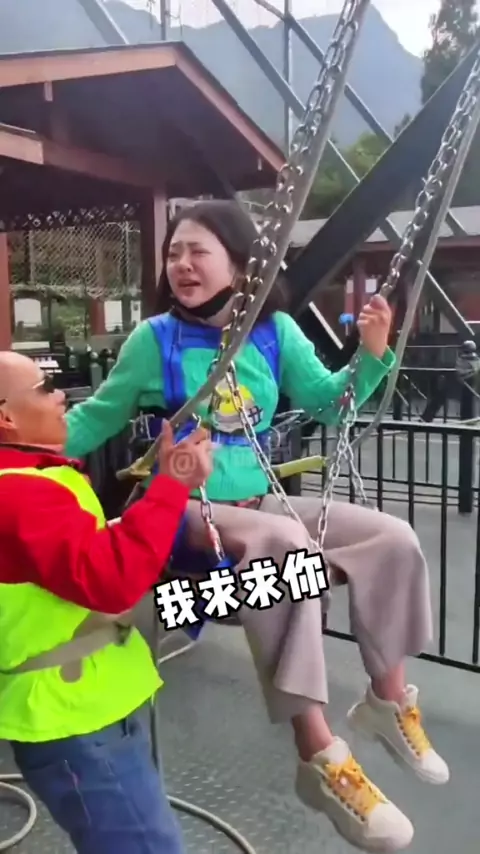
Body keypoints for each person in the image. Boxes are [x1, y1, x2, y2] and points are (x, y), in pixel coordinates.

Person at [65, 200, 449, 853]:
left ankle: (386, 698)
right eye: (174, 252)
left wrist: (373, 355)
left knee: (391, 538)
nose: (181, 264)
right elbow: (96, 417)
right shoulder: (155, 339)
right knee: (283, 545)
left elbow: (331, 404)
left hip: (256, 502)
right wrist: (21, 446)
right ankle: (318, 751)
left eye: (198, 251)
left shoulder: (274, 332)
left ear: (243, 267)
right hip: (183, 511)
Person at [0, 350, 213, 854]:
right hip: (75, 719)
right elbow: (110, 579)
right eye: (45, 387)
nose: (61, 396)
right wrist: (171, 487)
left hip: (87, 708)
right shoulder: (21, 494)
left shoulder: (33, 477)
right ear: (5, 416)